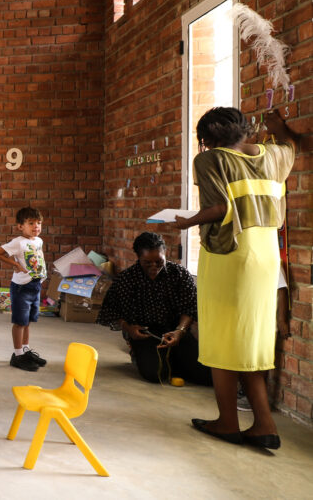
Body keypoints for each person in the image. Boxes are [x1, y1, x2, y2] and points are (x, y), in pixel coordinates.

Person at [169, 107, 300, 449]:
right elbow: (290, 146)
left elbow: (218, 209)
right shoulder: (273, 155)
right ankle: (264, 424)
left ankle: (228, 422)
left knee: (222, 340)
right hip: (266, 255)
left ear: (206, 139)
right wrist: (280, 127)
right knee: (251, 340)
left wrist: (186, 222)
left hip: (231, 255)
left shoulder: (211, 160)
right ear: (244, 129)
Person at [97, 232, 211, 386]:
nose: (154, 267)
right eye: (147, 263)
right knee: (155, 374)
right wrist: (129, 329)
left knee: (206, 376)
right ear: (138, 258)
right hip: (145, 333)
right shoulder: (127, 279)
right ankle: (140, 354)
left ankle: (173, 357)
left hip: (175, 330)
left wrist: (180, 330)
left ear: (166, 254)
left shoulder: (179, 274)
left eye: (159, 261)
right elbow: (111, 311)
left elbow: (190, 307)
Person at [0, 206, 48, 372]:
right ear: (20, 226)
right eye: (31, 223)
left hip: (35, 285)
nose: (36, 226)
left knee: (28, 321)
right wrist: (14, 264)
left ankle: (25, 350)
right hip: (22, 287)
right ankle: (17, 355)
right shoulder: (18, 242)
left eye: (39, 223)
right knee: (19, 322)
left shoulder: (38, 241)